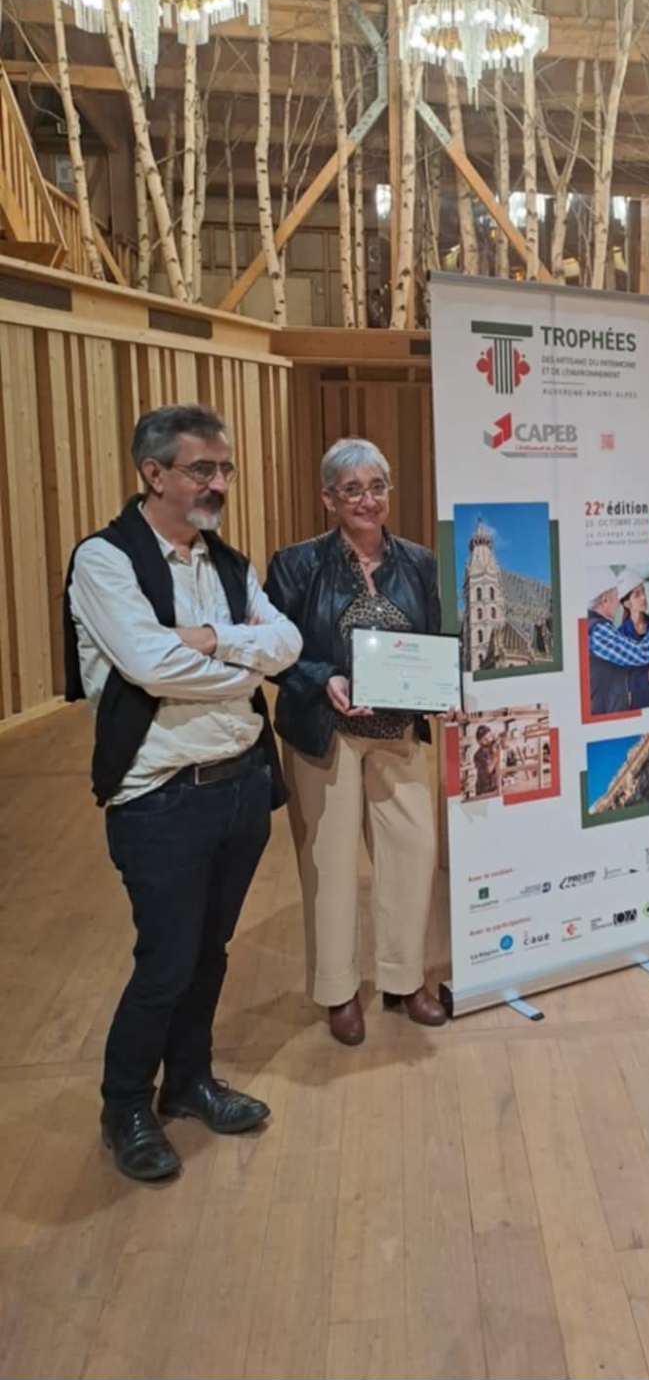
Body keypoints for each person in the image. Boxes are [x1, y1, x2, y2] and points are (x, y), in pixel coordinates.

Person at [64, 404, 303, 1184]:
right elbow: (151, 666)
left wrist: (215, 641)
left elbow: (288, 642)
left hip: (241, 788)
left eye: (225, 468)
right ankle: (125, 1105)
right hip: (160, 799)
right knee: (165, 962)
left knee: (208, 954)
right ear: (154, 473)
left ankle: (189, 1082)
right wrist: (244, 663)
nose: (219, 483)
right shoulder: (105, 561)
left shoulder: (226, 564)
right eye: (203, 468)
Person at [265, 439, 447, 1042]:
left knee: (413, 852)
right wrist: (325, 679)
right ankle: (338, 991)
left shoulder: (420, 562)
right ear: (329, 498)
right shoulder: (296, 565)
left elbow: (433, 640)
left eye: (376, 487)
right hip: (328, 735)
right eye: (352, 490)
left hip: (397, 732)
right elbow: (274, 654)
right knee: (330, 864)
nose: (367, 500)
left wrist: (441, 689)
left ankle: (404, 978)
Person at [586, 583, 649, 716]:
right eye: (616, 596)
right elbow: (641, 654)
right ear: (605, 600)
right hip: (609, 714)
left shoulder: (606, 630)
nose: (618, 602)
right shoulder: (599, 631)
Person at [620, 569, 649, 711]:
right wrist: (647, 676)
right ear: (627, 604)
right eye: (637, 595)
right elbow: (621, 680)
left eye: (643, 591)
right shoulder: (621, 635)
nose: (644, 597)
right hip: (640, 703)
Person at [473, 725, 500, 797]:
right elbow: (489, 769)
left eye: (490, 736)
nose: (489, 740)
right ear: (479, 741)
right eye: (485, 739)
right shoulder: (479, 754)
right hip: (485, 791)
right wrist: (497, 755)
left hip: (496, 787)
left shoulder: (493, 749)